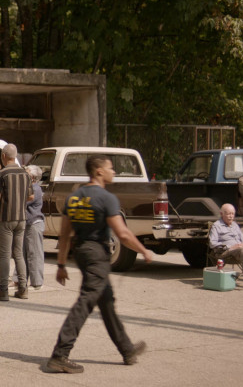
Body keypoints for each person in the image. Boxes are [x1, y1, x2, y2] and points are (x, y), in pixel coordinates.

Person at [47, 155, 153, 374]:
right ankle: (60, 354)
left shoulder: (74, 198)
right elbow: (122, 233)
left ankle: (127, 350)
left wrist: (61, 265)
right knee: (86, 300)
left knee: (105, 301)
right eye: (110, 168)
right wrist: (143, 250)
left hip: (82, 251)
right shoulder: (106, 198)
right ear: (98, 172)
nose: (113, 172)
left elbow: (64, 234)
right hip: (97, 253)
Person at [0, 144, 33, 301]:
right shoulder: (24, 173)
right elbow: (31, 197)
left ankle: (3, 291)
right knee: (19, 254)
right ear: (15, 156)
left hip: (5, 218)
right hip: (21, 218)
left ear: (3, 156)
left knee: (4, 255)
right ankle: (23, 289)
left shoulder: (2, 173)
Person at [12, 165, 45, 289]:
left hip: (34, 224)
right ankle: (19, 280)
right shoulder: (28, 188)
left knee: (34, 254)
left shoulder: (35, 189)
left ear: (32, 177)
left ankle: (36, 283)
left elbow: (20, 202)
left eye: (25, 174)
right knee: (22, 253)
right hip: (26, 224)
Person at [208, 203, 243, 272]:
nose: (231, 216)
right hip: (225, 252)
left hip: (239, 250)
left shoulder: (235, 225)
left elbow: (242, 238)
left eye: (232, 214)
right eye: (228, 214)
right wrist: (231, 247)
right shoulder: (217, 226)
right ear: (222, 214)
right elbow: (212, 243)